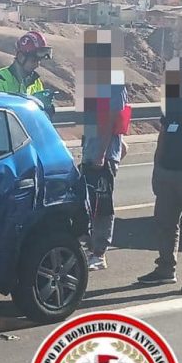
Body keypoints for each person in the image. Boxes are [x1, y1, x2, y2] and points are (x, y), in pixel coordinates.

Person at [137, 53, 182, 293]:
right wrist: (157, 165)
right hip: (168, 170)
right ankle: (166, 269)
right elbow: (165, 130)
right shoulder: (175, 94)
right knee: (166, 223)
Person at [79, 29, 131, 271]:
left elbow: (112, 117)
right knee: (89, 202)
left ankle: (99, 252)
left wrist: (101, 152)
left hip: (101, 154)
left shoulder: (113, 79)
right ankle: (90, 245)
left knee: (102, 203)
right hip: (92, 150)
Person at [0, 31, 51, 96]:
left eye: (39, 61)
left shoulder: (36, 82)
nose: (37, 65)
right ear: (21, 57)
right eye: (33, 60)